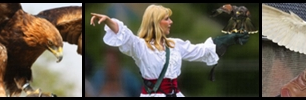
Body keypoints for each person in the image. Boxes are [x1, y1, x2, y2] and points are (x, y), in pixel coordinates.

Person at [89, 4, 249, 97]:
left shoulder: (175, 44)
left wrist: (228, 39)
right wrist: (110, 22)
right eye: (166, 19)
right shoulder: (140, 46)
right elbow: (125, 36)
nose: (170, 22)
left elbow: (200, 50)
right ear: (156, 22)